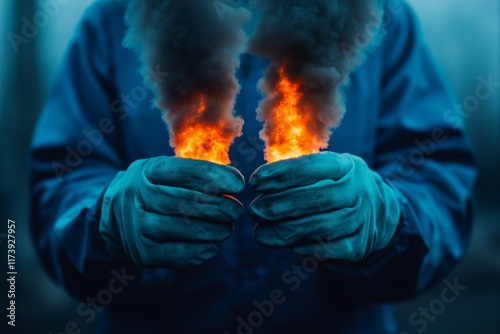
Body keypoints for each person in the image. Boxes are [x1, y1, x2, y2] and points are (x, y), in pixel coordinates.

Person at [30, 0, 476, 333]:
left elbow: (437, 174)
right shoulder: (116, 16)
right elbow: (60, 183)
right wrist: (106, 220)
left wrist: (389, 222)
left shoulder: (381, 16)